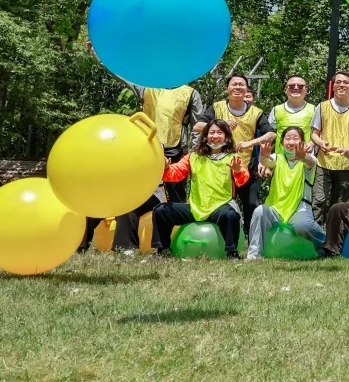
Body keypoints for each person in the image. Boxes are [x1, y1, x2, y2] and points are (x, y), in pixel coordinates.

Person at [80, 80, 207, 254]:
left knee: (164, 202)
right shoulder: (133, 147)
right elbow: (124, 75)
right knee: (107, 201)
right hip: (136, 177)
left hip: (163, 174)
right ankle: (85, 246)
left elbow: (196, 128)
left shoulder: (189, 93)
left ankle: (167, 244)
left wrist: (184, 157)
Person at [155, 118, 246, 258]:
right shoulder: (193, 157)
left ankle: (232, 253)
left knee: (230, 215)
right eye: (211, 133)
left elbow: (242, 181)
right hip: (195, 208)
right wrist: (166, 167)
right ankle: (163, 250)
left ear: (226, 137)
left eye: (219, 133)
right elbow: (174, 174)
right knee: (161, 210)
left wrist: (238, 170)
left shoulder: (233, 158)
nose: (215, 136)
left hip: (219, 206)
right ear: (205, 136)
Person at [199, 73, 264, 235]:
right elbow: (198, 126)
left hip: (247, 168)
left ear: (246, 89)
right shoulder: (217, 107)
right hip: (220, 168)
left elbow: (271, 134)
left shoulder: (256, 112)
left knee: (252, 205)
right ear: (227, 88)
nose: (237, 87)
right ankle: (221, 238)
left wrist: (250, 143)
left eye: (241, 85)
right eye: (234, 84)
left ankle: (253, 242)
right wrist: (221, 125)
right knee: (220, 205)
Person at [245, 126, 322, 260]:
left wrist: (303, 157)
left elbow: (309, 162)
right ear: (282, 143)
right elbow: (266, 161)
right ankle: (254, 255)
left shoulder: (310, 160)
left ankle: (326, 245)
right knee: (259, 211)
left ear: (302, 143)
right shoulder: (277, 158)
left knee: (303, 225)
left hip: (299, 209)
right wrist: (263, 154)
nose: (291, 142)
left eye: (295, 138)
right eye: (288, 138)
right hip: (276, 208)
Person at [310, 70, 349, 223]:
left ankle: (334, 240)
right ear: (333, 86)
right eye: (338, 82)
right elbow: (314, 133)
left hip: (347, 164)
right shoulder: (322, 107)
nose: (341, 85)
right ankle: (316, 239)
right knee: (319, 201)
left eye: (345, 82)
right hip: (324, 162)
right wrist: (320, 142)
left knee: (340, 204)